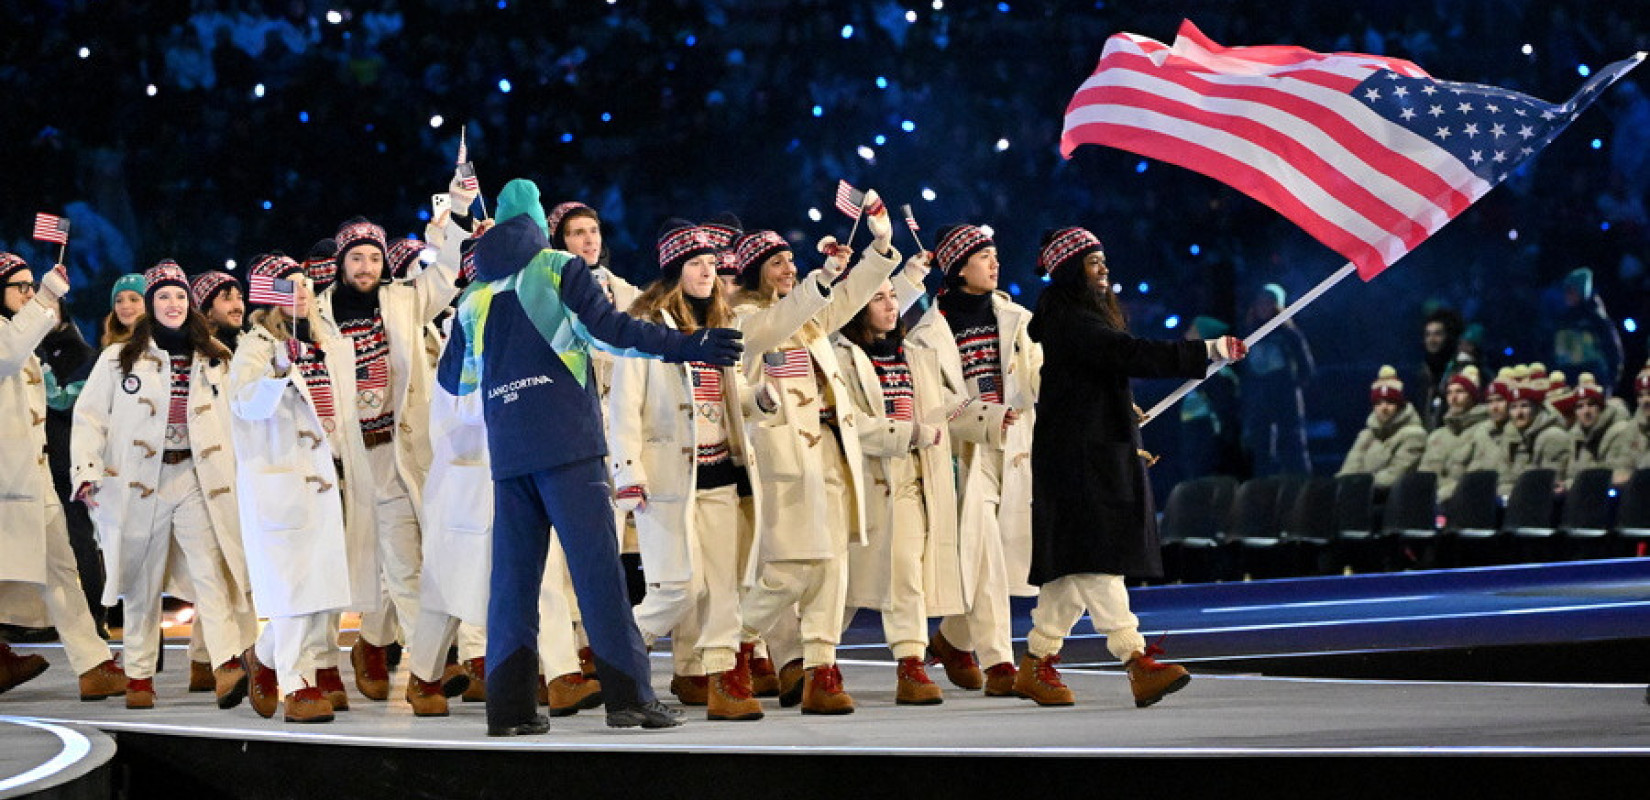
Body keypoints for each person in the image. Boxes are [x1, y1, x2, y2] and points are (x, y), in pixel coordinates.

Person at [438, 178, 743, 736]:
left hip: (509, 459)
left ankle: (507, 713)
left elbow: (455, 380)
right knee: (599, 576)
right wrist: (689, 346)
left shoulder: (474, 295)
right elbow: (613, 334)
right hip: (570, 449)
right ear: (536, 221)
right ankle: (627, 700)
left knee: (511, 588)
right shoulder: (556, 269)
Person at [1016, 227, 1245, 709]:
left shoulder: (1074, 314)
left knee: (1072, 565)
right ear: (1069, 269)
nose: (1104, 268)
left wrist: (1123, 411)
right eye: (1093, 261)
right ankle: (1135, 659)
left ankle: (1036, 663)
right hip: (1077, 460)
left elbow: (1096, 378)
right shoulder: (1068, 316)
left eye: (1104, 259)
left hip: (1087, 454)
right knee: (1097, 558)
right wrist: (1205, 351)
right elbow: (1126, 353)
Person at [609, 219, 824, 721]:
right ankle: (615, 659)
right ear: (673, 272)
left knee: (726, 586)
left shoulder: (721, 330)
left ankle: (725, 682)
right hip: (666, 482)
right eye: (696, 264)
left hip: (722, 475)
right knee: (679, 589)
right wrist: (627, 473)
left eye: (711, 264)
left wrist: (760, 399)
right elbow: (623, 409)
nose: (707, 273)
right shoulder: (646, 333)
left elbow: (726, 400)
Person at [728, 200, 902, 716]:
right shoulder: (745, 318)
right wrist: (821, 279)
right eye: (777, 262)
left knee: (832, 569)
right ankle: (733, 648)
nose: (789, 268)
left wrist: (879, 249)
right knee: (789, 572)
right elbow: (778, 324)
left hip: (831, 455)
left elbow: (848, 298)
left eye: (791, 260)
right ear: (755, 271)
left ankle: (822, 671)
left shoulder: (805, 317)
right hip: (781, 460)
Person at [71, 260, 252, 710]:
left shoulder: (214, 355)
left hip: (195, 476)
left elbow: (237, 418)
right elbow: (89, 417)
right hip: (138, 482)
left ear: (190, 304)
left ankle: (227, 662)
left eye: (178, 296)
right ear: (152, 306)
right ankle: (138, 676)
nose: (172, 304)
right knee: (141, 579)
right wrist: (87, 470)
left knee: (211, 566)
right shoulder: (119, 358)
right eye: (163, 297)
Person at [835, 278, 1011, 705]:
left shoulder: (916, 354)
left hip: (914, 482)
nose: (891, 305)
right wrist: (904, 432)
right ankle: (797, 658)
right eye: (877, 298)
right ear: (857, 306)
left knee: (904, 576)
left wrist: (989, 418)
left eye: (893, 296)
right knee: (836, 588)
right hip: (863, 484)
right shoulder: (841, 357)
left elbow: (942, 406)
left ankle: (911, 664)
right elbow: (846, 421)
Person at [315, 209, 460, 703]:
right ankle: (315, 668)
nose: (366, 266)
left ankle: (425, 676)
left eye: (374, 257)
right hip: (340, 468)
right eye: (356, 257)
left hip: (393, 457)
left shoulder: (401, 300)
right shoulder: (314, 312)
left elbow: (443, 276)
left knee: (406, 570)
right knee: (332, 574)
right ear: (340, 262)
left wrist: (454, 221)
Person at [230, 252, 380, 723]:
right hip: (283, 480)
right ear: (269, 297)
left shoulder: (328, 338)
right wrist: (277, 369)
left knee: (322, 590)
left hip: (332, 474)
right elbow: (245, 404)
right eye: (289, 287)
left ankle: (264, 656)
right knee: (295, 591)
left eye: (305, 285)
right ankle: (298, 685)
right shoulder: (255, 347)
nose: (301, 294)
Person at [912, 222, 1038, 698]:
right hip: (965, 454)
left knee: (1002, 559)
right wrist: (985, 417)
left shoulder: (1019, 319)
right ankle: (1001, 662)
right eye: (985, 256)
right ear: (960, 267)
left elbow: (1044, 379)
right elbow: (931, 401)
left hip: (1018, 448)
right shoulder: (928, 332)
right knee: (985, 553)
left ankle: (953, 639)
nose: (995, 263)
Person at [0, 253, 128, 700]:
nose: (29, 294)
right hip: (3, 487)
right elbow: (9, 354)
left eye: (31, 286)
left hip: (28, 481)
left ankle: (94, 665)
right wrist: (50, 296)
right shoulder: (8, 337)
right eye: (20, 287)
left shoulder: (19, 332)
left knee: (62, 572)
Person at [1239, 283, 1313, 476]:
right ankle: (1263, 489)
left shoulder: (1289, 334)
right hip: (1259, 398)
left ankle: (1300, 485)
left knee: (1292, 441)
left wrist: (1293, 386)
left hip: (1285, 394)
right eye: (1260, 302)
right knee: (1261, 445)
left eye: (1268, 302)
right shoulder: (1248, 334)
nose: (1263, 306)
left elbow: (1305, 366)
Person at [1337, 366, 1427, 492]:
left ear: (1400, 406)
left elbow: (1395, 476)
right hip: (1360, 499)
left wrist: (1357, 488)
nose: (1383, 408)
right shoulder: (1366, 435)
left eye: (1390, 402)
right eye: (1378, 403)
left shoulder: (1414, 435)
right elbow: (1348, 470)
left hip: (1388, 503)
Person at [1178, 316, 1243, 481]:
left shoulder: (1218, 373)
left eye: (1192, 332)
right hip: (1191, 428)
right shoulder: (1189, 368)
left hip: (1207, 430)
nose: (1186, 335)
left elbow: (1225, 409)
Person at [1419, 366, 1490, 500]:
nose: (1453, 397)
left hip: (1465, 503)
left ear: (1472, 396)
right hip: (1431, 503)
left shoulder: (1484, 431)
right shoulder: (1437, 436)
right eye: (1449, 393)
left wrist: (1440, 496)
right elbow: (1424, 474)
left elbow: (1475, 476)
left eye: (1460, 392)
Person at [1549, 267, 1623, 393]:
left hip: (1595, 378)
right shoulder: (1563, 320)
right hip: (1569, 378)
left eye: (1571, 291)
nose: (1567, 295)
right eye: (1566, 291)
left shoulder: (1597, 320)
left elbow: (1613, 350)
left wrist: (1610, 379)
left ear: (1581, 292)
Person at [1499, 368, 1572, 496]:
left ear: (1537, 408)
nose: (1519, 413)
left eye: (1524, 406)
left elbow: (1550, 484)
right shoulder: (1511, 436)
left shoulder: (1553, 436)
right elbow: (1505, 480)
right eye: (1513, 407)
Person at [1570, 374, 1640, 487]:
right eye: (1580, 407)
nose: (1586, 411)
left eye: (1591, 404)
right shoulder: (1576, 437)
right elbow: (1572, 475)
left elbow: (1614, 472)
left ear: (1601, 407)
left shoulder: (1620, 430)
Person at [1415, 307, 1471, 431]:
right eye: (1427, 335)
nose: (1431, 340)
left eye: (1438, 334)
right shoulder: (1423, 374)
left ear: (1449, 337)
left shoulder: (1466, 371)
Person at [190, 270, 245, 353]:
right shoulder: (195, 354)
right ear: (208, 312)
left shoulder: (253, 347)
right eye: (227, 298)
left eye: (239, 298)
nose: (238, 306)